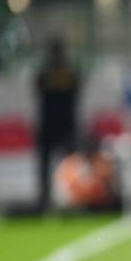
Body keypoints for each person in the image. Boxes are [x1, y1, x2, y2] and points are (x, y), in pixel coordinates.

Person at [35, 38, 80, 212]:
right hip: (51, 125)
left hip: (65, 125)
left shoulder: (67, 74)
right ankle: (45, 199)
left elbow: (77, 89)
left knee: (71, 165)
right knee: (45, 167)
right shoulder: (47, 74)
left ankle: (74, 197)